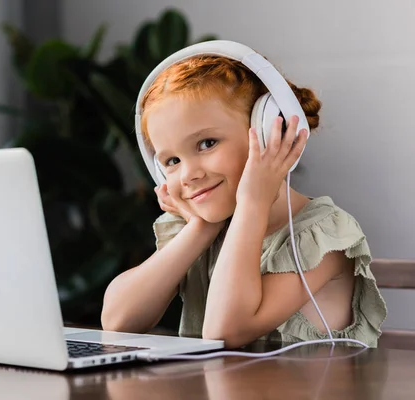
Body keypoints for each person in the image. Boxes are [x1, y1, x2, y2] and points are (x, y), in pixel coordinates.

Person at [101, 48, 387, 349]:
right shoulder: (206, 230)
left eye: (206, 143)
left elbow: (224, 332)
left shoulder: (324, 235)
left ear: (268, 132)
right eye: (171, 161)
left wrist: (252, 203)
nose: (188, 175)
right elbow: (118, 321)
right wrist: (201, 228)